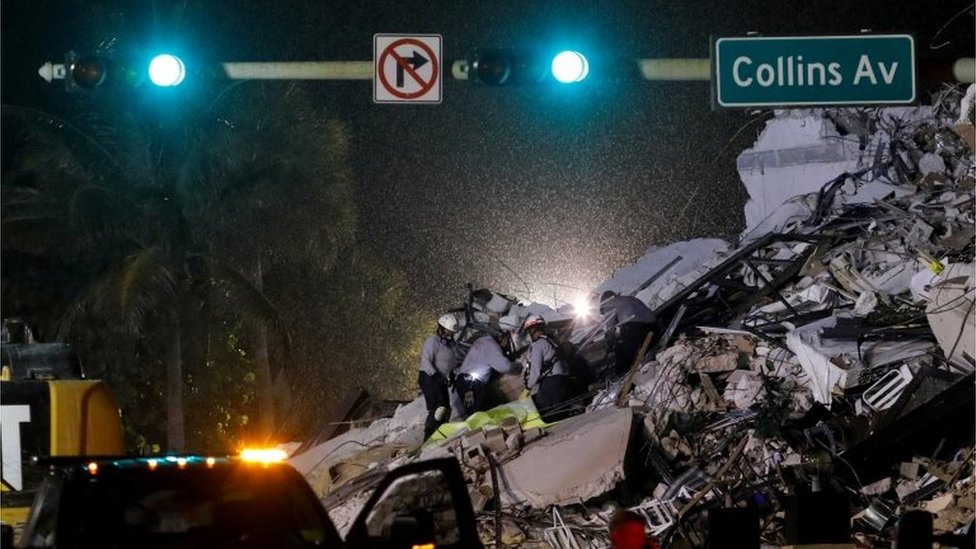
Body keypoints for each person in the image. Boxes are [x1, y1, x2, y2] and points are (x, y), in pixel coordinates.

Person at [452, 330, 520, 417]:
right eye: (508, 347)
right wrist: (517, 366)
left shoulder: (485, 340)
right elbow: (505, 366)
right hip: (470, 384)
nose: (506, 349)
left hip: (467, 382)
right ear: (505, 338)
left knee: (479, 411)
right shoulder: (492, 347)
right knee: (476, 414)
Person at [522, 314, 573, 423]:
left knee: (547, 411)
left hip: (551, 381)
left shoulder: (538, 345)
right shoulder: (551, 340)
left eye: (528, 331)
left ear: (532, 329)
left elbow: (535, 370)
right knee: (560, 409)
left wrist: (527, 388)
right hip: (562, 377)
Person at [418, 313, 459, 439]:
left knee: (446, 409)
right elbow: (426, 361)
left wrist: (451, 374)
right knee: (438, 409)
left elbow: (451, 361)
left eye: (452, 333)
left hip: (440, 379)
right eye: (448, 332)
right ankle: (428, 437)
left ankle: (441, 434)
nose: (450, 335)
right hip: (429, 378)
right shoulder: (433, 341)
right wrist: (436, 376)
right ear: (441, 329)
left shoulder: (450, 344)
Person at [599, 291, 657, 376]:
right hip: (652, 325)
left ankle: (622, 371)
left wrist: (610, 340)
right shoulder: (629, 298)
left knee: (622, 346)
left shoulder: (608, 305)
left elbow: (610, 326)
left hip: (635, 326)